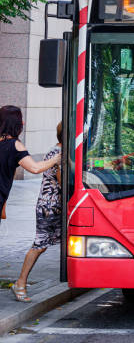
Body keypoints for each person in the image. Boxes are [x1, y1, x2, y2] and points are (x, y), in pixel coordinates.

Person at [0, 106, 60, 302]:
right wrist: (57, 159)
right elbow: (34, 168)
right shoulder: (14, 145)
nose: (23, 123)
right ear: (15, 123)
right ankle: (20, 284)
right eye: (21, 120)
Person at [13, 122, 63, 303]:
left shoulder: (60, 151)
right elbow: (61, 181)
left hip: (55, 205)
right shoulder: (58, 154)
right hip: (50, 206)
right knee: (40, 244)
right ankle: (20, 283)